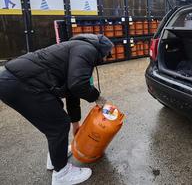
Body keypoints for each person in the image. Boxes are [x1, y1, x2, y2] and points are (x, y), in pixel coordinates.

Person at [0, 34, 113, 185]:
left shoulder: (77, 48)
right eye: (107, 55)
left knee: (56, 119)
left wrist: (75, 125)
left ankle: (54, 160)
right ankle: (62, 174)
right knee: (58, 125)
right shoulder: (88, 50)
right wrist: (97, 97)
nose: (106, 59)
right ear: (103, 51)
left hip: (14, 82)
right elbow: (78, 84)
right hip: (21, 83)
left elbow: (72, 91)